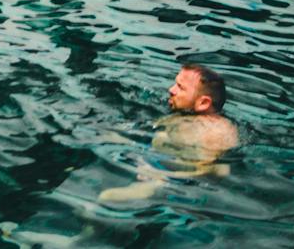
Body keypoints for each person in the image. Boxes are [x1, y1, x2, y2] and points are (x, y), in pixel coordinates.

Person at [99, 62, 240, 204]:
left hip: (168, 178)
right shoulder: (186, 116)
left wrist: (160, 176)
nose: (171, 90)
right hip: (152, 155)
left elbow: (220, 170)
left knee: (105, 197)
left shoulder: (215, 132)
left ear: (203, 103)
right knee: (107, 134)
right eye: (175, 84)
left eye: (181, 87)